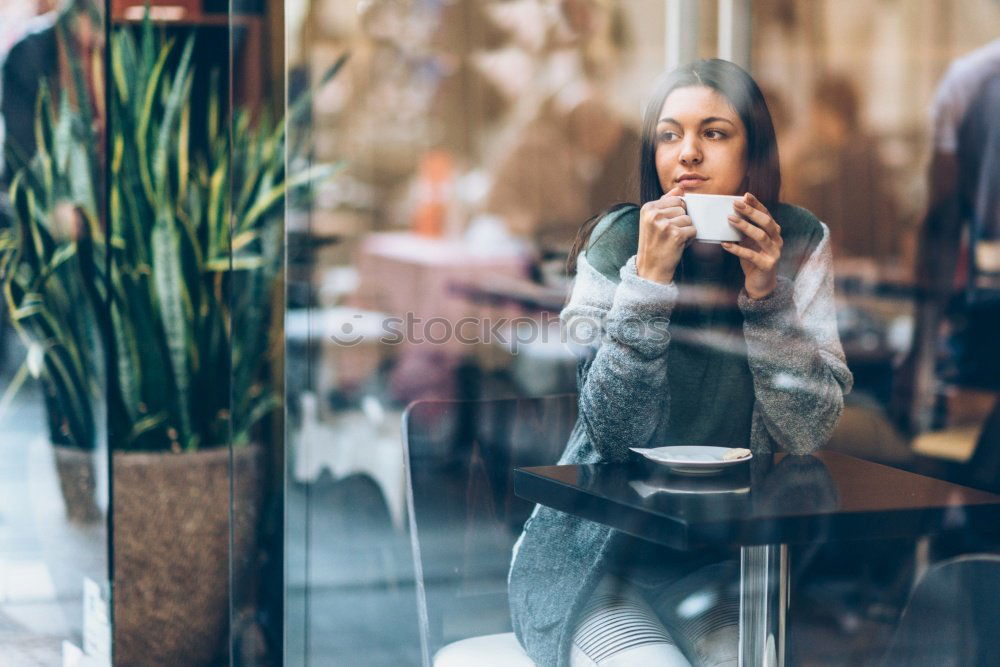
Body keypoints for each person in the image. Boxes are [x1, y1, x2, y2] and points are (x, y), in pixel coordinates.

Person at [507, 58, 853, 666]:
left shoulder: (800, 241)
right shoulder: (614, 243)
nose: (687, 153)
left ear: (754, 154)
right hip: (596, 564)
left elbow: (809, 430)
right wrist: (649, 281)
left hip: (721, 563)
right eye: (670, 135)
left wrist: (768, 298)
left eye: (714, 133)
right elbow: (611, 432)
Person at [893, 39, 1000, 485]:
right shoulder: (972, 81)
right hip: (988, 313)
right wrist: (920, 355)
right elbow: (941, 224)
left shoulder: (971, 81)